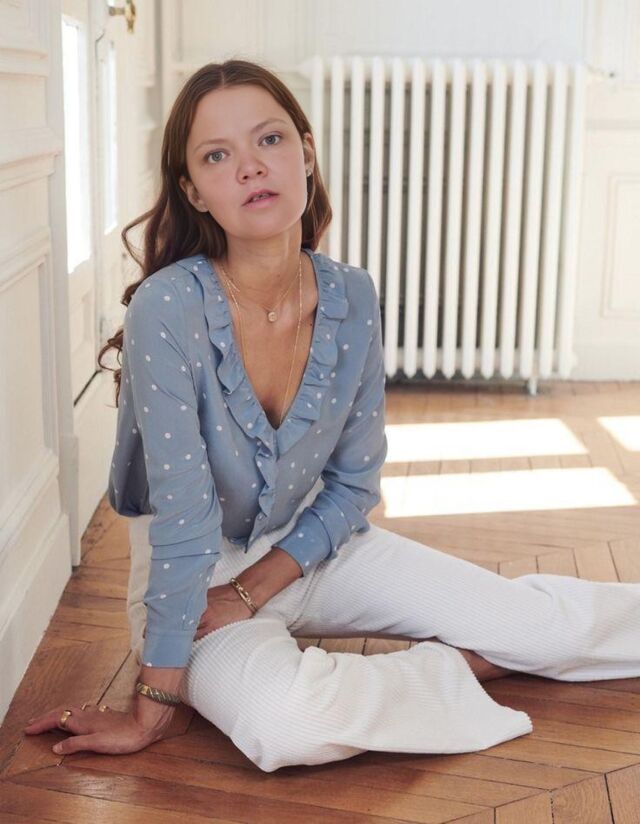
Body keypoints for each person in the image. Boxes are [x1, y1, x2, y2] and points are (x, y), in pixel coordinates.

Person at [24, 59, 640, 772]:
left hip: (315, 546)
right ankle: (465, 666)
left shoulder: (353, 296)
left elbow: (352, 486)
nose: (251, 167)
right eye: (217, 155)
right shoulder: (167, 308)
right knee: (288, 722)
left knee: (540, 627)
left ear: (307, 153)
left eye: (270, 139)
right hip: (192, 581)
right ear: (193, 190)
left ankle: (490, 653)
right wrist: (155, 706)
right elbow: (184, 521)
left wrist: (258, 587)